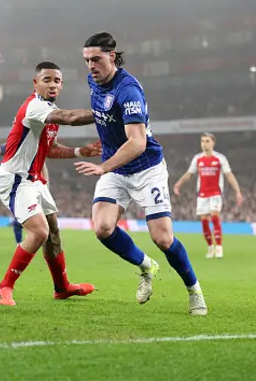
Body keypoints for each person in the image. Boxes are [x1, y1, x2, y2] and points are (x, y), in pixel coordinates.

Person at [74, 32, 207, 315]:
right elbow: (102, 112)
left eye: (96, 59)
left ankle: (194, 291)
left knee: (163, 238)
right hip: (115, 167)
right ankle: (146, 266)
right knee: (102, 228)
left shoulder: (129, 89)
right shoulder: (93, 80)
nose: (90, 66)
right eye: (86, 60)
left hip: (146, 168)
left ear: (112, 55)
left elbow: (137, 142)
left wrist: (102, 166)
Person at [0, 61, 102, 306]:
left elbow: (50, 149)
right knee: (39, 231)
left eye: (57, 81)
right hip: (15, 179)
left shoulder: (49, 112)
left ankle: (61, 287)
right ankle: (5, 287)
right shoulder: (34, 107)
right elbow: (71, 117)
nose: (53, 84)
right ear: (36, 83)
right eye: (47, 79)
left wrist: (80, 151)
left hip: (35, 180)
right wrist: (104, 113)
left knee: (53, 231)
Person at [173, 133, 244, 259]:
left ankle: (219, 247)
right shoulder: (197, 159)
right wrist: (178, 184)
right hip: (202, 194)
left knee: (215, 218)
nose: (204, 144)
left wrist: (237, 191)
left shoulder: (220, 158)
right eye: (202, 141)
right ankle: (211, 247)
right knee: (204, 222)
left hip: (215, 193)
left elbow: (229, 175)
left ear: (213, 143)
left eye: (207, 141)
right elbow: (189, 174)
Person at [0, 126, 54, 244]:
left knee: (45, 220)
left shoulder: (34, 146)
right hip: (19, 186)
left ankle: (46, 245)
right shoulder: (11, 146)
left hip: (35, 185)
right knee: (19, 219)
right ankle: (20, 245)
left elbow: (43, 166)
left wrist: (45, 186)